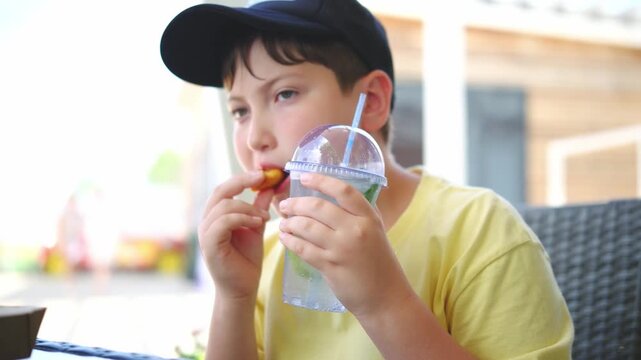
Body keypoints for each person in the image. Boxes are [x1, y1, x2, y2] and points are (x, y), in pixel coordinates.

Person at [160, 0, 574, 359]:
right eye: (239, 111)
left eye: (284, 94)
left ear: (371, 102)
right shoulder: (267, 252)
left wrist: (384, 302)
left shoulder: (479, 231)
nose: (254, 138)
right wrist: (233, 298)